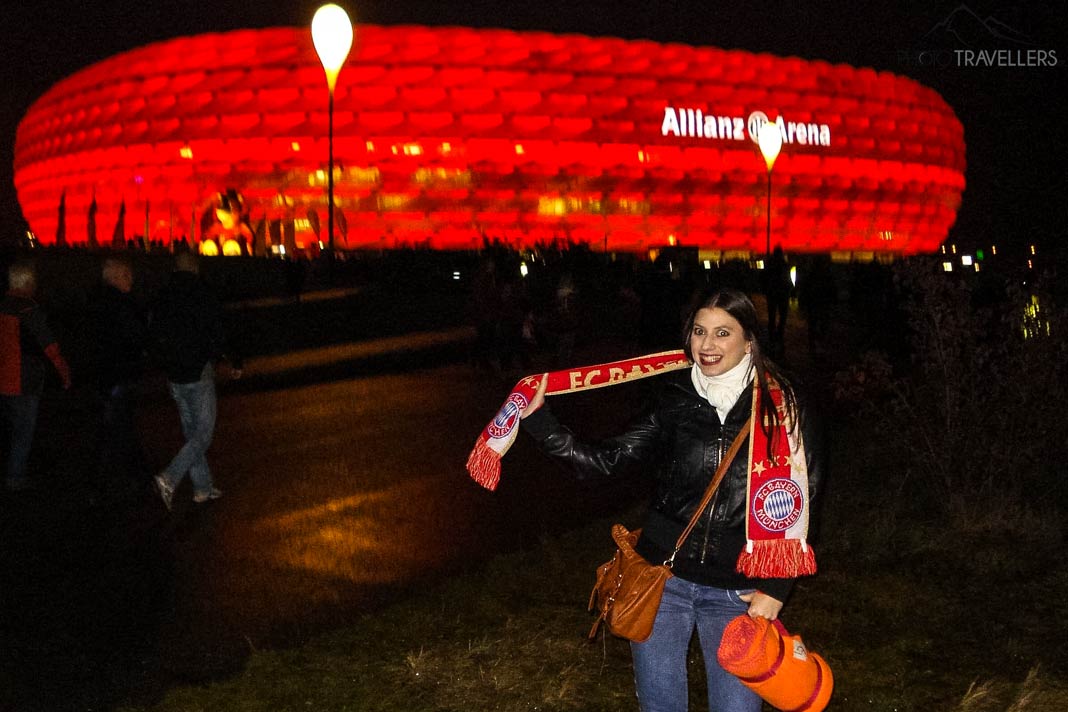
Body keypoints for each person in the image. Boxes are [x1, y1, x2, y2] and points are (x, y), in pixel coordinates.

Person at [520, 287, 825, 712]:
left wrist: (776, 588)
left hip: (737, 591)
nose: (707, 345)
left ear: (749, 341)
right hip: (663, 582)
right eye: (700, 331)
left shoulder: (783, 407)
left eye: (723, 333)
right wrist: (541, 424)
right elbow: (608, 460)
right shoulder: (674, 398)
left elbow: (802, 497)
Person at [149, 252, 241, 509]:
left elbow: (154, 332)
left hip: (174, 373)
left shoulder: (162, 295)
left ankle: (202, 487)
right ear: (196, 269)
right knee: (203, 434)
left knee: (192, 431)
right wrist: (232, 359)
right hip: (197, 369)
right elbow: (218, 329)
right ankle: (169, 477)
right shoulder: (202, 293)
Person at [0, 261, 72, 491]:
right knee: (24, 431)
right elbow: (49, 347)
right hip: (23, 380)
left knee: (12, 427)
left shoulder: (3, 307)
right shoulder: (28, 311)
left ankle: (13, 468)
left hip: (3, 378)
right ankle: (15, 476)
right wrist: (64, 374)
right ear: (28, 283)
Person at [86, 257, 150, 501]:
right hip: (118, 375)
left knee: (119, 427)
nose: (130, 280)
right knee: (115, 429)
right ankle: (102, 483)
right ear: (113, 277)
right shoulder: (119, 304)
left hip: (107, 375)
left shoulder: (97, 302)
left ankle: (138, 476)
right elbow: (134, 336)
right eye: (126, 275)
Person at [764, 246, 791, 356]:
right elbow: (787, 278)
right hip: (783, 293)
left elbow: (764, 278)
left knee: (772, 314)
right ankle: (779, 333)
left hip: (772, 292)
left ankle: (772, 333)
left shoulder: (770, 264)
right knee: (783, 314)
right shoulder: (784, 265)